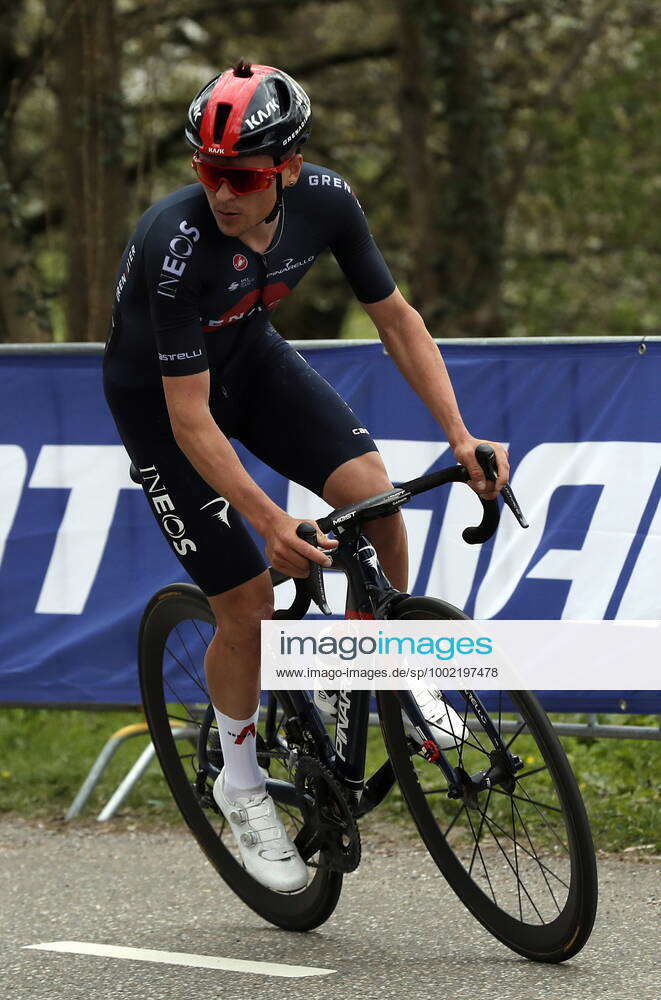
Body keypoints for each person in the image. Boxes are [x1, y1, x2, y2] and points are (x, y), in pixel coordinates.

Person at [103, 59, 509, 893]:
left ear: (285, 168)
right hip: (160, 402)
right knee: (246, 604)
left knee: (376, 498)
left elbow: (396, 321)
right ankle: (241, 783)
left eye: (241, 177)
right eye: (206, 171)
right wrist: (268, 521)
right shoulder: (172, 246)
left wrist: (460, 436)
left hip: (248, 358)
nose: (221, 192)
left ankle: (378, 671)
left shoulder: (325, 201)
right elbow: (189, 421)